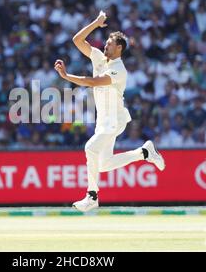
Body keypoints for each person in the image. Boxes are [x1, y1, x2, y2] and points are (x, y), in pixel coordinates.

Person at [54, 11, 165, 212]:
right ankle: (145, 152)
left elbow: (92, 82)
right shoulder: (98, 56)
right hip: (103, 120)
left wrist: (66, 75)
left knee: (90, 149)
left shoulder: (119, 70)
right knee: (103, 164)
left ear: (119, 48)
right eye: (105, 42)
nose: (105, 45)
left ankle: (92, 196)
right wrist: (96, 23)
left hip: (115, 119)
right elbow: (77, 39)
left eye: (110, 43)